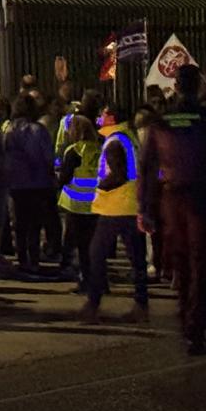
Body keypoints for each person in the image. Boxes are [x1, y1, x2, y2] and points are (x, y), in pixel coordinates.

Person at [138, 65, 206, 355]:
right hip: (204, 199)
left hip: (171, 200)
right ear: (197, 86)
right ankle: (195, 330)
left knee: (180, 264)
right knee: (202, 266)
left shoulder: (161, 122)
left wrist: (144, 208)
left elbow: (146, 168)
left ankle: (186, 324)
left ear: (175, 86)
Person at [79, 103, 147, 324]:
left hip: (115, 207)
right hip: (130, 205)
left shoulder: (115, 141)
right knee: (136, 259)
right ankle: (141, 304)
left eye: (104, 113)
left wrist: (98, 187)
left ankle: (93, 304)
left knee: (96, 255)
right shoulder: (128, 136)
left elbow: (119, 174)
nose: (100, 116)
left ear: (112, 117)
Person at [1, 95, 55, 277]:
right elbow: (48, 157)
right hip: (38, 183)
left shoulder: (8, 130)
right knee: (34, 224)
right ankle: (34, 260)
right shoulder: (39, 130)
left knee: (19, 224)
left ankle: (22, 259)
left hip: (15, 184)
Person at [56, 116, 100, 288]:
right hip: (96, 204)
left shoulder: (73, 151)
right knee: (94, 245)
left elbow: (65, 178)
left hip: (76, 204)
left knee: (81, 246)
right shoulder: (99, 149)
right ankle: (100, 280)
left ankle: (86, 280)